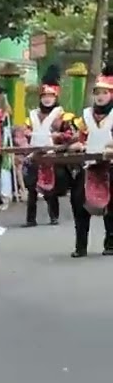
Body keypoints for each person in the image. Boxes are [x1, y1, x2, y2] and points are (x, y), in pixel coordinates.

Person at [66, 64, 113, 257]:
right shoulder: (85, 115)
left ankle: (110, 243)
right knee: (78, 203)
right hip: (88, 166)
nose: (100, 96)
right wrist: (76, 144)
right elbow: (80, 137)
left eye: (105, 92)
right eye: (97, 93)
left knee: (112, 207)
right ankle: (80, 246)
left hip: (110, 167)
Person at [22, 64, 74, 227]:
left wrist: (60, 136)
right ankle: (31, 219)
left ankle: (54, 216)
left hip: (53, 156)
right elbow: (24, 132)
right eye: (44, 96)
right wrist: (25, 135)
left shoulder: (63, 115)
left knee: (51, 190)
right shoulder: (32, 114)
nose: (47, 99)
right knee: (31, 188)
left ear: (55, 97)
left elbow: (70, 135)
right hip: (34, 155)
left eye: (50, 96)